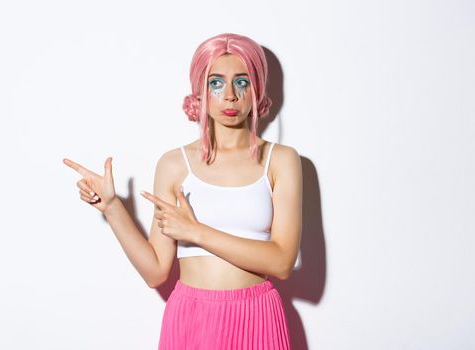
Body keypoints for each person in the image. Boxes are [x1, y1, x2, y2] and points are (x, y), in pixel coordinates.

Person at [63, 33, 303, 350]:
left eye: (241, 82)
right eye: (216, 83)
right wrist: (112, 207)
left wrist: (197, 232)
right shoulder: (174, 164)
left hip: (257, 315)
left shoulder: (282, 161)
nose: (229, 95)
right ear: (200, 93)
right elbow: (155, 273)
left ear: (257, 88)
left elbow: (282, 261)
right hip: (192, 316)